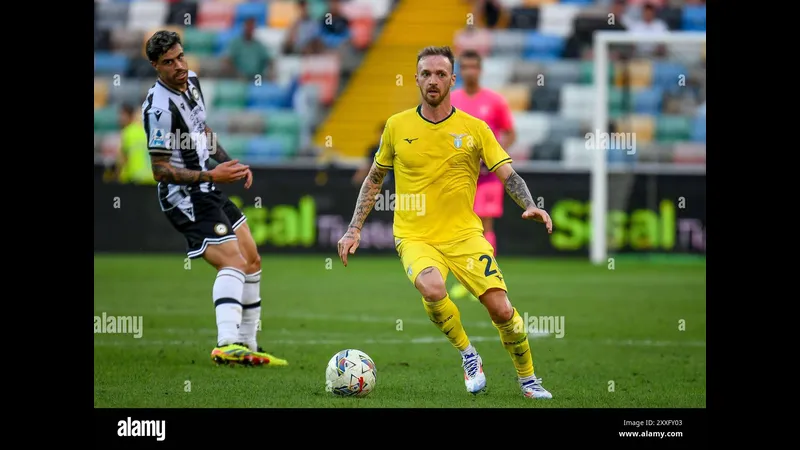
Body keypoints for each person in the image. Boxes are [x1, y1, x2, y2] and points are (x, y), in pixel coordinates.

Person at [336, 46, 553, 399]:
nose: (433, 80)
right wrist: (353, 228)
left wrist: (530, 204)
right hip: (414, 235)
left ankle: (528, 379)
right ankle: (468, 354)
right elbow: (374, 178)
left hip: (464, 235)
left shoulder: (475, 128)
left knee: (501, 309)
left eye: (440, 74)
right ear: (416, 79)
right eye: (426, 74)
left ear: (452, 79)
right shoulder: (396, 125)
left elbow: (507, 174)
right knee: (433, 288)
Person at [142, 30, 288, 367]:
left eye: (180, 57)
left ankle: (249, 345)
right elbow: (160, 170)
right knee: (232, 262)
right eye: (168, 62)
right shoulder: (159, 110)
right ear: (155, 66)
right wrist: (212, 174)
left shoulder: (192, 81)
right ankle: (226, 343)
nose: (178, 65)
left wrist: (226, 162)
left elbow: (202, 131)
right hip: (184, 197)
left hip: (208, 187)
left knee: (252, 259)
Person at [449, 49, 516, 302]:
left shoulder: (495, 101)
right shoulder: (452, 100)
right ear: (459, 72)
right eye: (464, 67)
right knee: (460, 226)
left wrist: (494, 158)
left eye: (473, 67)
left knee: (484, 226)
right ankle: (464, 278)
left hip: (487, 177)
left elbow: (509, 133)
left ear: (480, 70)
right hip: (460, 176)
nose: (469, 72)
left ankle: (488, 279)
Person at [115, 103, 156, 185]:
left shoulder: (128, 132)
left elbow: (122, 158)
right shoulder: (160, 132)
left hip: (133, 179)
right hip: (153, 180)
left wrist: (119, 176)